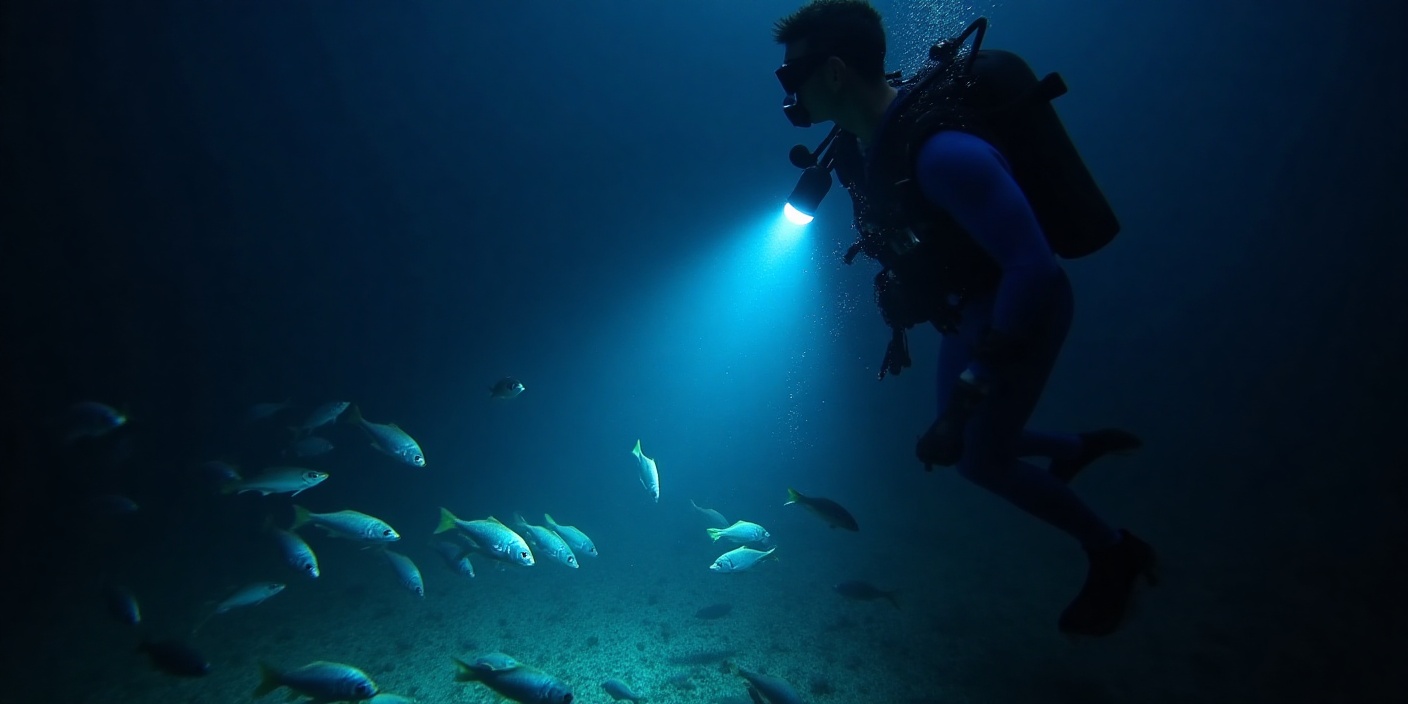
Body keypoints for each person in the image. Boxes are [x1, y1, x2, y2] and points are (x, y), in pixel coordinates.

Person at [771, 0, 1155, 637]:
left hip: (1021, 305)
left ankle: (1115, 550)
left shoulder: (943, 153)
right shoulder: (871, 144)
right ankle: (1073, 448)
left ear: (834, 73)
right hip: (977, 303)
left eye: (792, 78)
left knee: (978, 458)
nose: (786, 92)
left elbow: (1032, 267)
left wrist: (969, 395)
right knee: (968, 442)